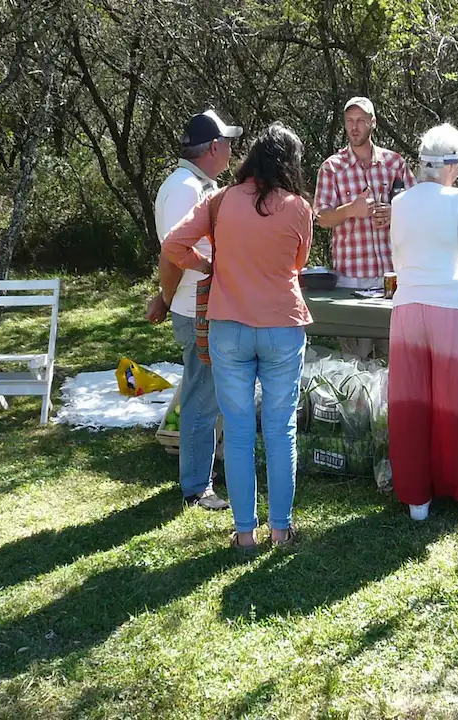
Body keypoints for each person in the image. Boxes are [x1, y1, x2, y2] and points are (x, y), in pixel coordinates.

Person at [164, 122, 314, 549]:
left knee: (239, 428)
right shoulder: (299, 207)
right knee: (281, 428)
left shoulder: (219, 201)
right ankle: (281, 529)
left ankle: (245, 533)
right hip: (283, 326)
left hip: (229, 327)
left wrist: (211, 266)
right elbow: (298, 263)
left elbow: (174, 246)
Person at [386, 123, 458, 521]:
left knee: (411, 404)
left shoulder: (399, 203)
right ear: (450, 165)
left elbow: (398, 261)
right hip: (452, 307)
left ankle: (418, 500)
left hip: (407, 307)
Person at [144, 109, 242, 512]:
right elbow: (173, 254)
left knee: (205, 393)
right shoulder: (187, 188)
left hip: (195, 303)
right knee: (202, 397)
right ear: (214, 148)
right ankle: (196, 487)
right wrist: (168, 298)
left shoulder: (194, 183)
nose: (232, 151)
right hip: (194, 306)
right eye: (228, 143)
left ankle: (201, 475)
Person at [314, 96, 416, 359]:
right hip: (350, 280)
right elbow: (321, 218)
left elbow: (419, 208)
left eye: (360, 120)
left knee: (393, 357)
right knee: (355, 363)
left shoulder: (395, 163)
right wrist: (350, 210)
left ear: (373, 123)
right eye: (349, 121)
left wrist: (397, 213)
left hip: (391, 279)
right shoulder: (332, 168)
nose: (354, 127)